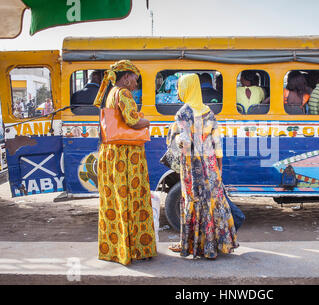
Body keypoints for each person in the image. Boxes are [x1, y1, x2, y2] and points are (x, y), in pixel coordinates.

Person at [166, 74, 239, 259]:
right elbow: (218, 144)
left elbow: (179, 143)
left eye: (180, 87)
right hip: (211, 164)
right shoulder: (209, 112)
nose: (178, 91)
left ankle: (191, 246)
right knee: (213, 202)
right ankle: (216, 246)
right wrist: (219, 169)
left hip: (192, 166)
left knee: (193, 202)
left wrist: (172, 134)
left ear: (187, 88)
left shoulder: (183, 113)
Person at [93, 60, 157, 265]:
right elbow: (132, 121)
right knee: (133, 199)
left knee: (116, 201)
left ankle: (117, 250)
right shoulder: (124, 93)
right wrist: (147, 121)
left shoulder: (111, 93)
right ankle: (136, 249)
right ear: (127, 77)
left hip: (112, 152)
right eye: (135, 79)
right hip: (126, 155)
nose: (136, 84)